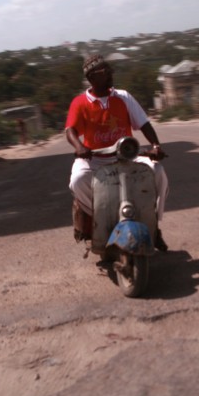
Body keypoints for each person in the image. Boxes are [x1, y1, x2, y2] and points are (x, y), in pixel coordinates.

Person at [65, 54, 169, 251]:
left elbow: (144, 124)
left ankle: (154, 224)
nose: (111, 75)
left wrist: (156, 145)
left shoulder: (123, 97)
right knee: (78, 180)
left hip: (127, 155)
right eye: (105, 72)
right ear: (92, 78)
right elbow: (70, 130)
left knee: (157, 171)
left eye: (110, 70)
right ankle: (101, 218)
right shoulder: (80, 103)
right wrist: (79, 147)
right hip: (96, 159)